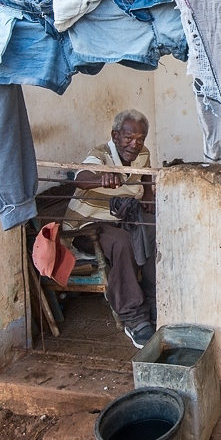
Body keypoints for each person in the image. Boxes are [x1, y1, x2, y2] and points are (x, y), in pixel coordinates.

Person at [64, 109, 156, 348]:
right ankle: (133, 317)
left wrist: (147, 195)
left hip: (118, 219)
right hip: (86, 227)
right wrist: (100, 178)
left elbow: (146, 175)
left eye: (140, 138)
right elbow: (80, 176)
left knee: (153, 231)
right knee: (122, 242)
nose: (135, 144)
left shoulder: (143, 154)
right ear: (115, 136)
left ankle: (155, 302)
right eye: (128, 138)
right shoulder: (100, 155)